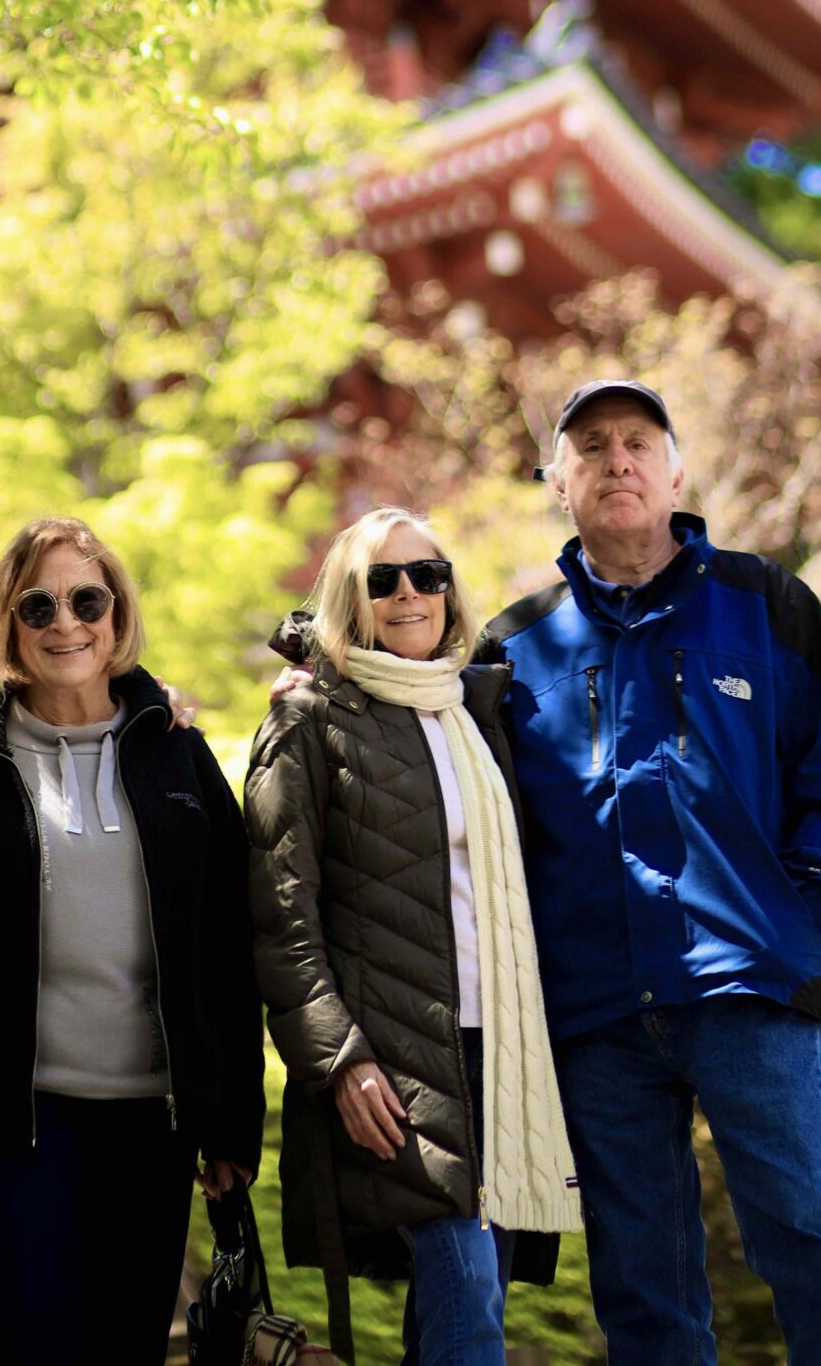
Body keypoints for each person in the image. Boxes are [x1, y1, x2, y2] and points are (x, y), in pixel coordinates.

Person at [475, 379, 821, 1366]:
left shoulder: (766, 601)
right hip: (596, 1009)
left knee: (808, 1231)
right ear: (556, 480)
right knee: (641, 1282)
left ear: (674, 469)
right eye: (592, 446)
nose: (617, 459)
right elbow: (473, 824)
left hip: (748, 985)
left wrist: (798, 914)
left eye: (638, 442)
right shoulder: (509, 646)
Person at [0, 515, 264, 1366]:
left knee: (131, 1343)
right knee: (23, 1340)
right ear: (8, 624)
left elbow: (228, 944)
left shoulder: (175, 753)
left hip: (154, 1117)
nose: (65, 624)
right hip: (15, 1117)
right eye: (37, 606)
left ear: (117, 616)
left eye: (87, 600)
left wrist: (230, 1121)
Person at [247, 508, 581, 1366]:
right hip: (395, 1062)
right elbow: (281, 915)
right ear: (350, 601)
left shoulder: (477, 713)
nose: (408, 594)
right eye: (382, 579)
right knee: (468, 1298)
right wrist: (338, 1058)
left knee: (462, 1306)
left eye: (427, 575)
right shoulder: (309, 720)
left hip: (500, 1054)